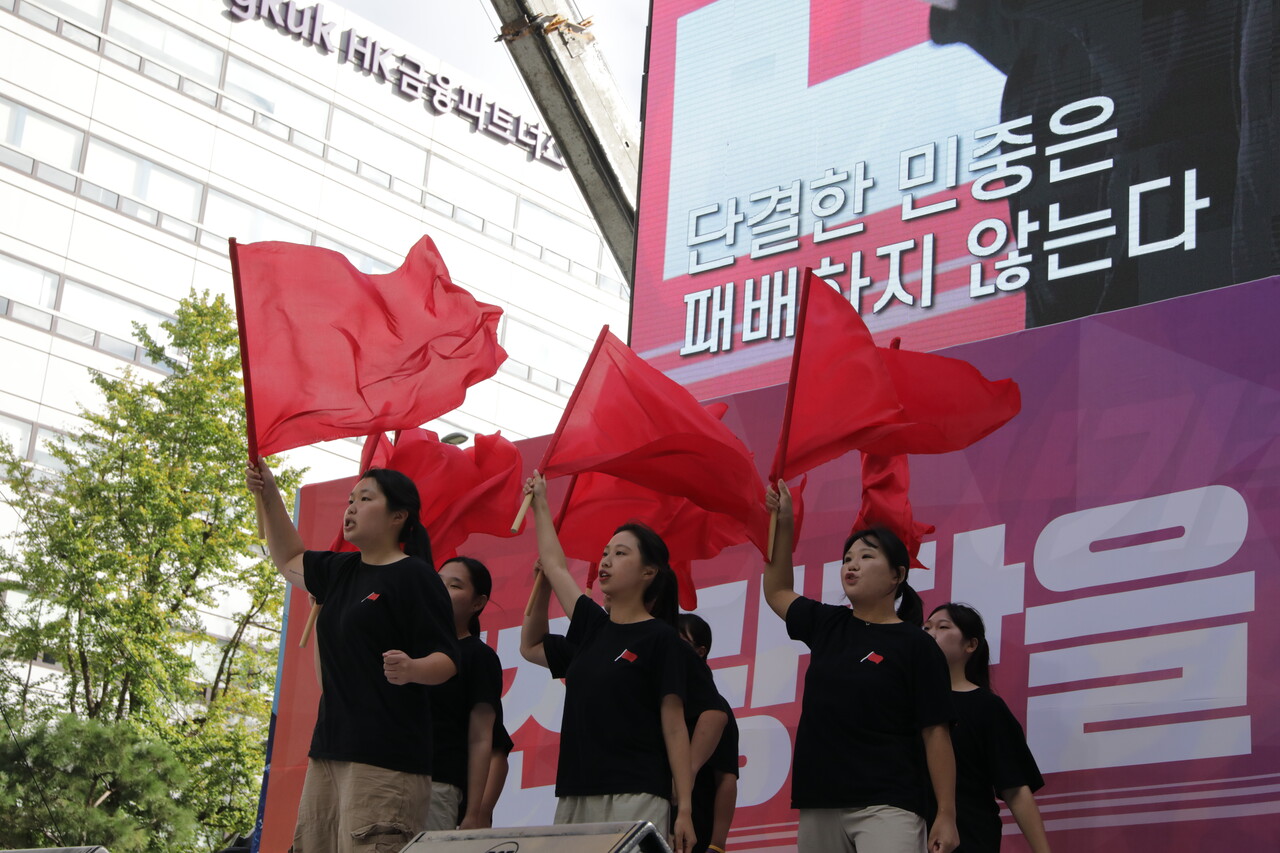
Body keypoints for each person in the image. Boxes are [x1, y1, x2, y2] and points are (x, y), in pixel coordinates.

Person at [246, 459, 459, 853]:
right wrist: (269, 492)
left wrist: (412, 668)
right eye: (350, 500)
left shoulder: (415, 576)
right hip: (329, 751)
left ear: (398, 516)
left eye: (365, 499)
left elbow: (447, 660)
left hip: (385, 759)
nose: (352, 508)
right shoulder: (340, 570)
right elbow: (289, 559)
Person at [763, 481, 958, 853]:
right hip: (821, 799)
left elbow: (936, 732)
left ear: (897, 575)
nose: (852, 564)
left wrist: (946, 813)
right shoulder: (827, 624)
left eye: (867, 556)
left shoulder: (916, 644)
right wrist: (783, 524)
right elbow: (776, 590)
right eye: (848, 558)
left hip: (889, 802)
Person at [518, 471, 697, 853]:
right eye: (605, 553)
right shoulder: (593, 627)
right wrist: (541, 503)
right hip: (576, 791)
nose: (606, 561)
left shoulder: (661, 638)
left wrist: (684, 807)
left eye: (620, 553)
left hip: (636, 793)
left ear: (649, 572)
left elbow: (674, 727)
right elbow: (555, 565)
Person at [923, 603, 1051, 853]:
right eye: (926, 628)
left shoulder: (986, 707)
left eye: (943, 627)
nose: (930, 633)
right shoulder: (906, 701)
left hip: (968, 838)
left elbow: (1015, 788)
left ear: (971, 645)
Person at [426, 556, 507, 830]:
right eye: (438, 582)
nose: (441, 591)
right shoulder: (408, 647)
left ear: (477, 603)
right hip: (389, 779)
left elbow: (483, 739)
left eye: (454, 585)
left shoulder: (478, 657)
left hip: (437, 787)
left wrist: (475, 813)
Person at [678, 613, 740, 853]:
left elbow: (726, 778)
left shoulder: (716, 708)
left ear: (700, 651)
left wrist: (717, 844)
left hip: (696, 830)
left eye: (681, 643)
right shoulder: (659, 703)